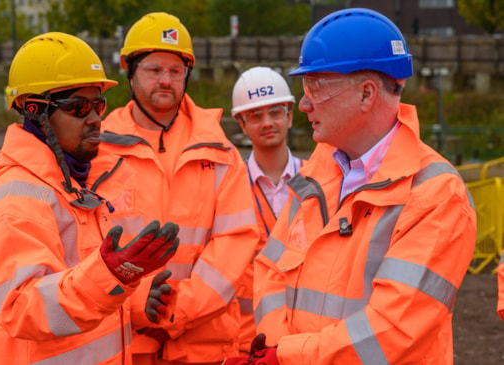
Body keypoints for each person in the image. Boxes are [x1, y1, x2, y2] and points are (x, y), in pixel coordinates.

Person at [224, 7, 476, 365]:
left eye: (316, 87)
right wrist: (279, 351)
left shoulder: (436, 194)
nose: (305, 103)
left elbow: (391, 331)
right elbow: (270, 270)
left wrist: (286, 357)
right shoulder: (319, 170)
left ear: (366, 94)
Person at [0, 32, 180, 364]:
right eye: (78, 107)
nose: (95, 118)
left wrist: (131, 295)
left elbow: (75, 281)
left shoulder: (68, 186)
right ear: (36, 112)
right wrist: (112, 276)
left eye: (98, 105)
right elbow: (24, 308)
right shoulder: (15, 199)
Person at [95, 12, 260, 365]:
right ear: (130, 71)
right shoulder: (99, 151)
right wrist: (139, 307)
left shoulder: (221, 153)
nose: (166, 80)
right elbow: (85, 247)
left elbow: (236, 241)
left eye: (175, 71)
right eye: (154, 70)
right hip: (124, 342)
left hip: (203, 345)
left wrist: (175, 311)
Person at [230, 66, 303, 354]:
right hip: (246, 341)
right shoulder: (228, 187)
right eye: (255, 115)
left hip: (303, 338)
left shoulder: (318, 183)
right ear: (242, 124)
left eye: (275, 112)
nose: (267, 122)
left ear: (290, 116)